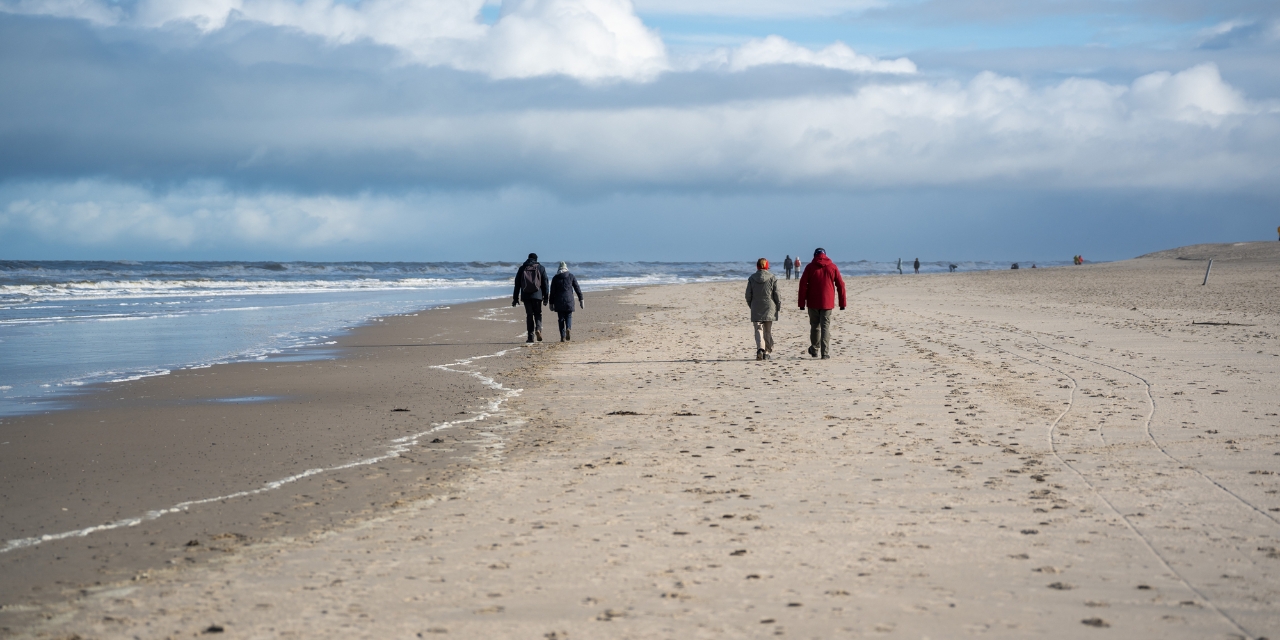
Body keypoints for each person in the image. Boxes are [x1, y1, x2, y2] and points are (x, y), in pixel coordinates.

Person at [797, 248, 846, 359]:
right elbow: (841, 285)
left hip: (813, 302)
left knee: (815, 326)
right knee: (825, 327)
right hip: (827, 303)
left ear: (815, 255)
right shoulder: (832, 267)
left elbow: (803, 285)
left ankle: (814, 349)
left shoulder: (810, 267)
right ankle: (825, 353)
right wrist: (842, 303)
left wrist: (801, 303)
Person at [745, 258, 782, 361]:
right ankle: (767, 351)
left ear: (757, 266)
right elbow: (777, 294)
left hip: (756, 306)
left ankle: (760, 349)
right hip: (769, 307)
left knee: (758, 329)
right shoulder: (772, 278)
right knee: (768, 331)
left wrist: (751, 305)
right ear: (767, 266)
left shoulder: (752, 278)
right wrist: (778, 306)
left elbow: (748, 295)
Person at [512, 253, 549, 343]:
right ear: (536, 259)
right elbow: (545, 284)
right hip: (538, 295)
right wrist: (546, 297)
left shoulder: (522, 268)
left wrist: (515, 298)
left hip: (526, 295)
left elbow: (517, 284)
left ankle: (530, 337)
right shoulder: (541, 268)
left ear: (528, 258)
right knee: (538, 314)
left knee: (529, 315)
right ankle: (538, 329)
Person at [549, 261, 584, 342]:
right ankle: (568, 328)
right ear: (566, 268)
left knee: (561, 319)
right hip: (569, 300)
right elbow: (577, 288)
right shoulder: (571, 276)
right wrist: (581, 299)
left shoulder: (555, 278)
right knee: (568, 316)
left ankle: (563, 336)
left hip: (558, 301)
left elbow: (552, 292)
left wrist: (551, 303)